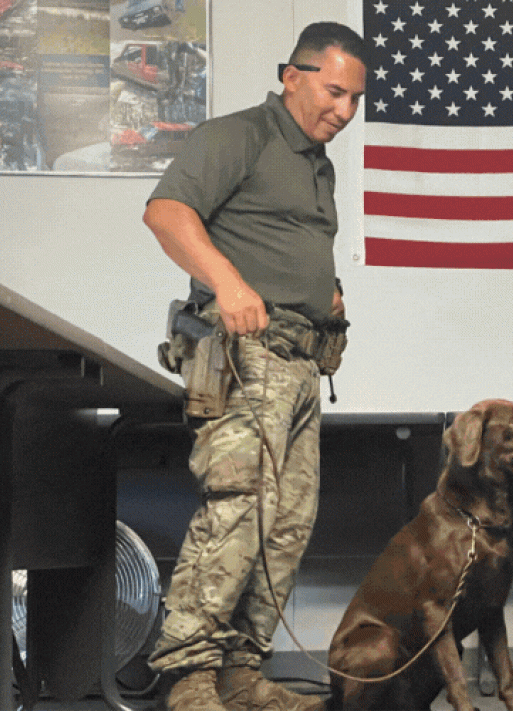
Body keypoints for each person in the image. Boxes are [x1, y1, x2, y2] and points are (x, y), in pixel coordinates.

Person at [143, 22, 366, 711]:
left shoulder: (313, 162)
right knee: (238, 511)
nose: (344, 110)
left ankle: (241, 674)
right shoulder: (239, 135)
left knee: (287, 525)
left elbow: (281, 237)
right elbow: (166, 211)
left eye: (356, 98)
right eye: (334, 91)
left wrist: (323, 295)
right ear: (290, 74)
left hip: (300, 364)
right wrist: (229, 282)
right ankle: (188, 677)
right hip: (245, 359)